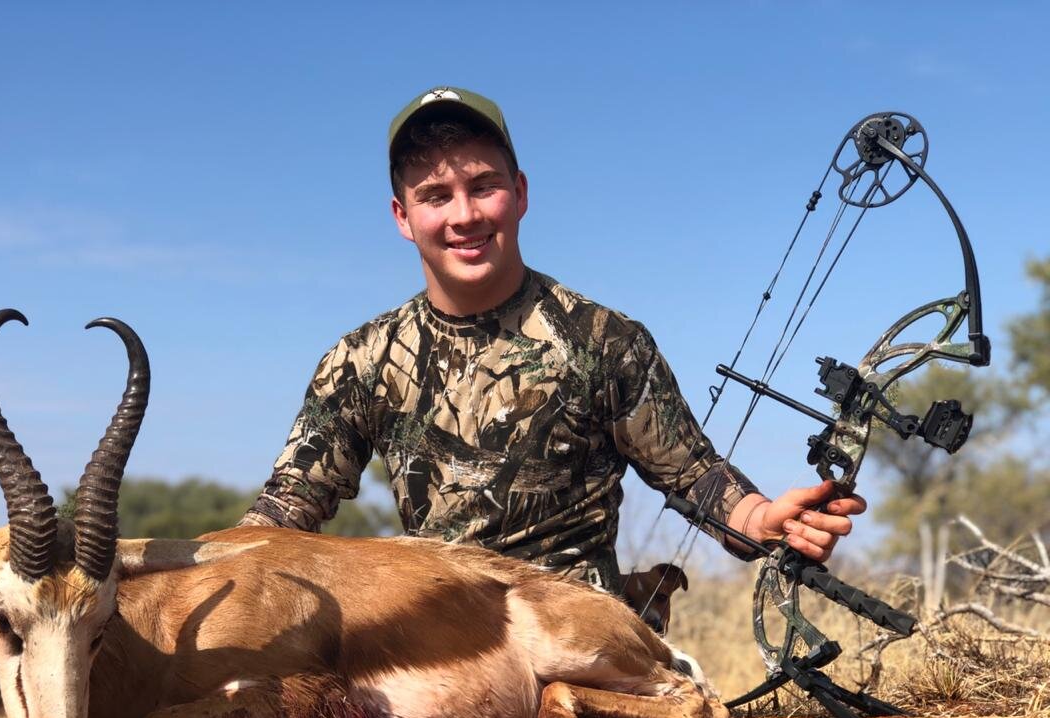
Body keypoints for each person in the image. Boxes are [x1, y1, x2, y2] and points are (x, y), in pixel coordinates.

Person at [240, 86, 864, 597]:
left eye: (484, 185)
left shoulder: (604, 340)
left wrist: (762, 520)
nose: (464, 215)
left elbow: (695, 477)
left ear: (521, 193)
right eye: (435, 196)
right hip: (443, 638)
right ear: (403, 217)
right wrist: (191, 565)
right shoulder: (360, 361)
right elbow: (286, 508)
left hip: (580, 633)